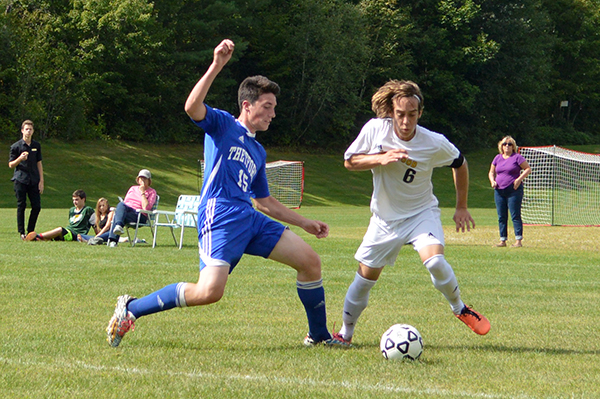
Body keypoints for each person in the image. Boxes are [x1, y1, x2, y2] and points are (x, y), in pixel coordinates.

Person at [106, 39, 348, 348]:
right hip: (219, 215)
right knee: (209, 292)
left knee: (310, 261)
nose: (273, 114)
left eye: (274, 107)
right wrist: (217, 65)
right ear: (247, 105)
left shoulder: (258, 151)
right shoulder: (222, 124)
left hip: (248, 216)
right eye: (267, 107)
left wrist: (305, 223)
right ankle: (132, 308)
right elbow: (191, 107)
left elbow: (265, 202)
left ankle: (319, 336)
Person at [334, 80, 491, 345]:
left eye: (411, 114)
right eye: (400, 114)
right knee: (364, 279)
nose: (405, 121)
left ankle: (460, 308)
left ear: (420, 113)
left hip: (421, 213)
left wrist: (461, 206)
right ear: (391, 112)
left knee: (435, 262)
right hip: (384, 220)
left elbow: (460, 163)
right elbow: (349, 161)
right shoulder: (375, 129)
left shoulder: (433, 142)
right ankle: (345, 334)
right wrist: (380, 158)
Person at [488, 136, 531, 248]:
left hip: (513, 190)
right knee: (501, 216)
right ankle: (502, 240)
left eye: (509, 144)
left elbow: (527, 169)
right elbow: (491, 172)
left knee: (515, 215)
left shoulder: (517, 157)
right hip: (499, 190)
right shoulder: (497, 158)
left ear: (513, 147)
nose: (507, 146)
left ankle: (518, 240)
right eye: (504, 144)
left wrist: (518, 179)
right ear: (501, 146)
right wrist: (492, 181)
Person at [8, 120, 44, 240]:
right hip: (21, 180)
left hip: (34, 180)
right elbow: (11, 165)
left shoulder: (36, 146)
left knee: (37, 206)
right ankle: (22, 232)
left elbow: (39, 163)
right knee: (21, 205)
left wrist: (41, 181)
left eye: (31, 129)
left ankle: (30, 231)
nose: (28, 131)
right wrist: (20, 158)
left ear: (33, 131)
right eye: (26, 129)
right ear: (22, 131)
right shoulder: (16, 146)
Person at [106, 169, 157, 247]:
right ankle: (118, 227)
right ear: (138, 179)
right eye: (141, 178)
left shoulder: (152, 192)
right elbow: (126, 202)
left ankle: (112, 240)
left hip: (140, 215)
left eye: (145, 178)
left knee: (118, 216)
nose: (142, 180)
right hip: (128, 211)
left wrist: (142, 192)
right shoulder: (133, 188)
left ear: (149, 181)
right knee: (121, 205)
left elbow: (146, 208)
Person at [25, 189, 94, 241]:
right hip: (68, 231)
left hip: (76, 234)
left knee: (60, 229)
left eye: (77, 200)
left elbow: (95, 224)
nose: (74, 202)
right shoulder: (72, 210)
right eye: (73, 200)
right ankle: (35, 239)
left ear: (83, 199)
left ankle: (38, 236)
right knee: (53, 237)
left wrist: (99, 237)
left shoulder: (88, 210)